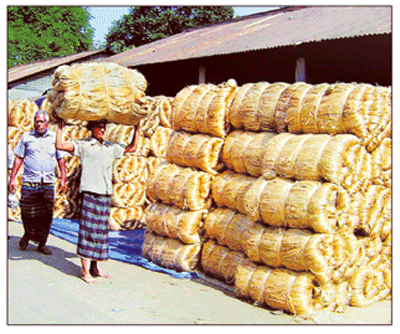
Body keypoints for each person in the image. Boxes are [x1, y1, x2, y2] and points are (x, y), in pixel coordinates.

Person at [56, 119, 140, 283]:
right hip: (89, 192)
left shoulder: (110, 147)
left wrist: (137, 129)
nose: (102, 130)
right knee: (88, 231)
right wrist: (60, 127)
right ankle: (85, 270)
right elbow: (60, 146)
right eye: (99, 127)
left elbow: (133, 148)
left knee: (100, 232)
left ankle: (95, 267)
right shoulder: (84, 145)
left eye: (104, 127)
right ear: (91, 129)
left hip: (105, 193)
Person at [9, 110, 67, 255]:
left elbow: (61, 159)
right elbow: (18, 158)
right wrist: (12, 178)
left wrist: (63, 178)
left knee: (46, 215)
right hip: (30, 181)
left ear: (47, 123)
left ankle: (42, 244)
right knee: (27, 212)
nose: (38, 124)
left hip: (47, 182)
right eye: (36, 121)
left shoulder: (54, 138)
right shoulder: (26, 137)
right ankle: (28, 234)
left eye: (41, 121)